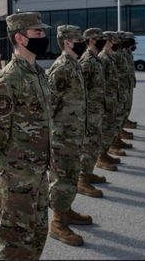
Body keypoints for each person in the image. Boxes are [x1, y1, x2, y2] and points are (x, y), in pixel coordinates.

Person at [0, 12, 51, 259]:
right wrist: (10, 167)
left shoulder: (39, 74)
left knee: (37, 235)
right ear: (20, 38)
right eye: (38, 32)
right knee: (14, 243)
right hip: (17, 177)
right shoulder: (8, 79)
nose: (44, 37)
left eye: (43, 32)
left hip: (40, 173)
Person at [46, 25, 90, 247]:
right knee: (61, 179)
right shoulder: (61, 67)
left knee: (71, 176)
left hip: (73, 135)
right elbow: (49, 106)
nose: (82, 42)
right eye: (78, 39)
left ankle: (67, 210)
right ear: (66, 42)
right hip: (62, 138)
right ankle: (57, 223)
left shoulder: (74, 65)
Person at [78, 28, 107, 196]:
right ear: (90, 41)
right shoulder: (87, 61)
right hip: (89, 112)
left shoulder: (96, 59)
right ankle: (81, 179)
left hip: (97, 110)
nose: (102, 40)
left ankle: (88, 173)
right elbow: (81, 89)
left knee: (94, 143)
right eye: (99, 38)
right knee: (88, 145)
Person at [96, 32, 121, 171]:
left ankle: (104, 153)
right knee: (104, 128)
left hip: (111, 98)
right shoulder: (103, 58)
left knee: (110, 127)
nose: (113, 44)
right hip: (105, 99)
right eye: (110, 41)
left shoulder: (109, 57)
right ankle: (100, 157)